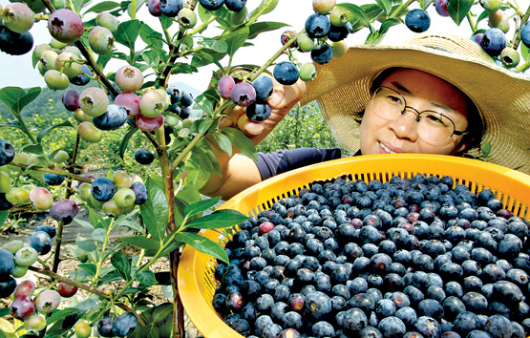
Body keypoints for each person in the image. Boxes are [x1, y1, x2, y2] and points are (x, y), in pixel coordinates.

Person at [200, 33, 530, 200]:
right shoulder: (310, 171)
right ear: (368, 102)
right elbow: (216, 181)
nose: (403, 128)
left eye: (436, 119)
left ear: (464, 142)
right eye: (393, 99)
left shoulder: (482, 210)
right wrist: (235, 136)